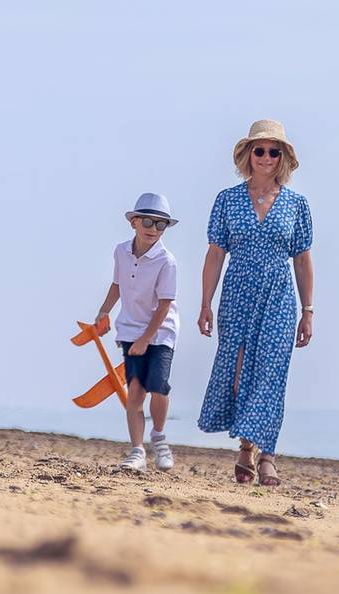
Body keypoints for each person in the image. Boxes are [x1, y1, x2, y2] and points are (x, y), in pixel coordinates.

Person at [197, 119, 314, 487]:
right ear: (248, 155)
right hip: (237, 292)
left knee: (271, 372)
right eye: (259, 150)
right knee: (238, 370)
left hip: (279, 295)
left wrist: (308, 310)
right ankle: (246, 448)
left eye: (273, 151)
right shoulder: (227, 199)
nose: (266, 157)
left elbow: (303, 258)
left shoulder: (297, 204)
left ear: (283, 158)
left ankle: (267, 454)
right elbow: (215, 254)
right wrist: (205, 303)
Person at [94, 192, 180, 472]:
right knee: (135, 392)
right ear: (133, 222)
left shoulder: (167, 261)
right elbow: (117, 285)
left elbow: (165, 305)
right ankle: (137, 451)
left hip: (161, 332)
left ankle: (159, 436)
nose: (153, 229)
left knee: (159, 387)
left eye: (160, 224)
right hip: (130, 330)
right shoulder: (121, 251)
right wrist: (104, 312)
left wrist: (146, 340)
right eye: (147, 221)